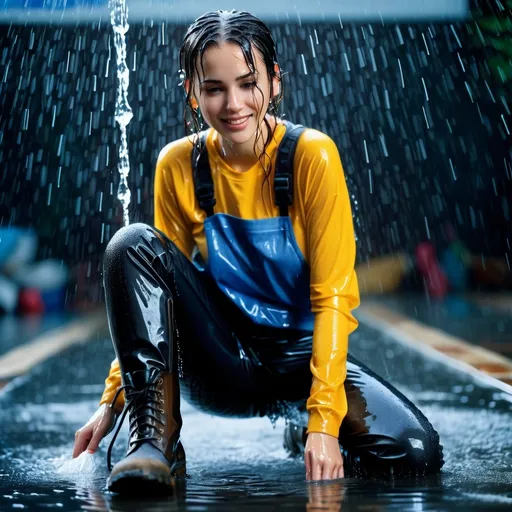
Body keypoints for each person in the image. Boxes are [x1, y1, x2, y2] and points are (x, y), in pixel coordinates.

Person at [72, 10, 444, 494]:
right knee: (132, 244)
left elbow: (333, 299)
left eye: (249, 83)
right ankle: (155, 446)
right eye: (214, 89)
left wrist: (324, 424)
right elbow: (153, 297)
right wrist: (114, 398)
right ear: (192, 92)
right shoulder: (178, 165)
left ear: (275, 81)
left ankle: (298, 423)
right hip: (220, 361)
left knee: (414, 453)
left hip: (298, 365)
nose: (234, 104)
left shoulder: (313, 156)